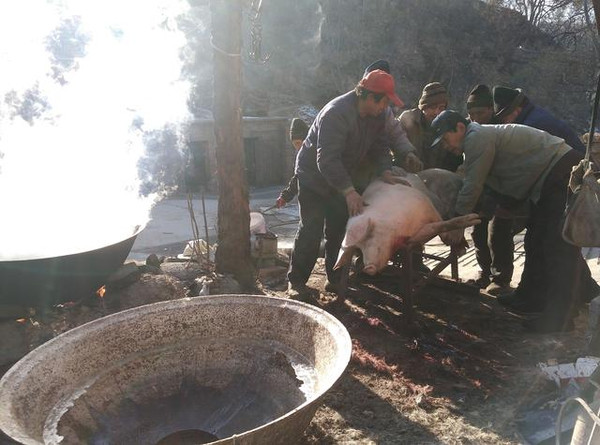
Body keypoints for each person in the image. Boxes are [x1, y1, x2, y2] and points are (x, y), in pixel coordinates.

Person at [430, 110, 598, 333]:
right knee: (534, 241)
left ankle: (560, 317)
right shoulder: (477, 140)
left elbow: (473, 186)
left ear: (459, 128)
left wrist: (455, 221)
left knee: (557, 248)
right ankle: (530, 297)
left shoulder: (475, 137)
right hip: (546, 181)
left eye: (444, 139)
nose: (445, 146)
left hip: (560, 174)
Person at [287, 70, 406, 300]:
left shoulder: (377, 117)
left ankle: (335, 279)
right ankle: (297, 282)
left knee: (339, 228)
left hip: (341, 176)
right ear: (369, 97)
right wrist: (349, 191)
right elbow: (327, 159)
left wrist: (385, 170)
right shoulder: (337, 113)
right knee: (311, 228)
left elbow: (380, 146)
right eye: (384, 102)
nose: (386, 108)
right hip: (313, 176)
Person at [465, 84, 514, 295]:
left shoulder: (501, 127)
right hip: (481, 187)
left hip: (504, 186)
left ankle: (501, 279)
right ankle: (485, 272)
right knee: (477, 232)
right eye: (471, 113)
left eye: (480, 112)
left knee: (498, 233)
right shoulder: (469, 129)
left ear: (490, 110)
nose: (476, 117)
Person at [363, 60, 423, 173]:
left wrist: (408, 152)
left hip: (376, 168)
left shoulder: (385, 112)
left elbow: (395, 134)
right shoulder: (345, 113)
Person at [493, 86, 586, 153]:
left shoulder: (532, 126)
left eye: (505, 118)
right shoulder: (535, 114)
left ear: (517, 110)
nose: (504, 123)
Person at [400, 82, 462, 171]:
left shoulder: (448, 128)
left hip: (435, 177)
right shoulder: (408, 120)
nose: (437, 112)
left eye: (441, 108)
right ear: (423, 107)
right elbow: (397, 146)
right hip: (408, 173)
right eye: (433, 107)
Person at [275, 118, 309, 208]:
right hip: (307, 204)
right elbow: (298, 177)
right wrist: (285, 197)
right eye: (294, 144)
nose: (297, 147)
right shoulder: (301, 155)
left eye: (298, 143)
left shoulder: (318, 154)